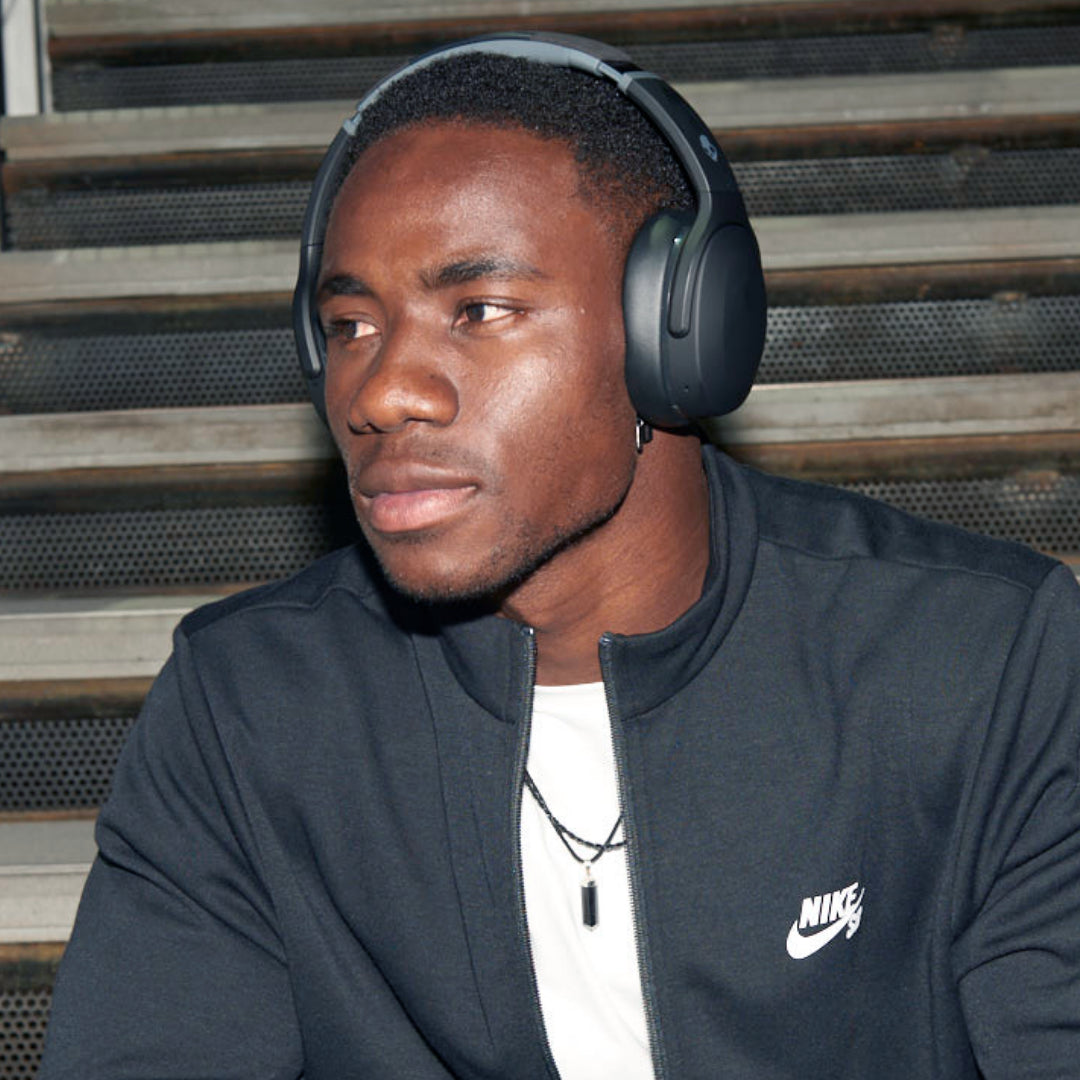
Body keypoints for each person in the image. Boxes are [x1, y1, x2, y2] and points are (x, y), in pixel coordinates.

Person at [40, 34, 1080, 1080]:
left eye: (479, 310)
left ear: (675, 330)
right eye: (350, 325)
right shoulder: (249, 704)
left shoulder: (983, 662)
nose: (382, 392)